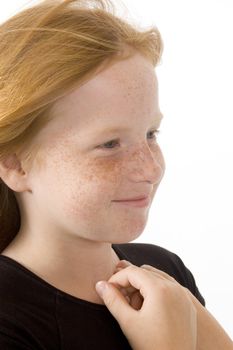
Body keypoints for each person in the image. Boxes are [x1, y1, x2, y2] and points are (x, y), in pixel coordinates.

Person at [0, 0, 232, 349]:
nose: (150, 169)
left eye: (151, 134)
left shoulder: (164, 275)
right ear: (16, 165)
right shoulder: (8, 321)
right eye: (109, 144)